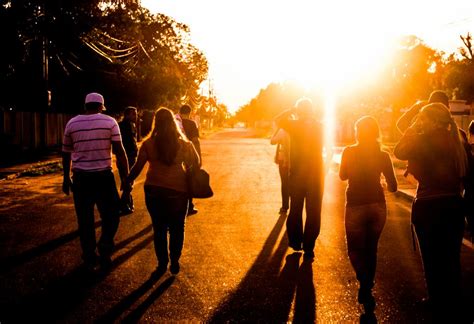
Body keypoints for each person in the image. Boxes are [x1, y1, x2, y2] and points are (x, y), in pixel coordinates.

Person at [394, 103, 467, 319]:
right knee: (451, 258)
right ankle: (454, 301)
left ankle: (437, 301)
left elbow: (399, 151)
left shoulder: (421, 139)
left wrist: (413, 128)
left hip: (428, 206)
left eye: (423, 117)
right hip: (453, 205)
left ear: (432, 121)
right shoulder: (458, 141)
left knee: (432, 259)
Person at [124, 107, 199, 275]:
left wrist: (128, 181)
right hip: (178, 192)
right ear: (173, 122)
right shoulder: (184, 144)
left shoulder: (148, 144)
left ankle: (162, 263)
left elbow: (138, 167)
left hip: (154, 191)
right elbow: (196, 162)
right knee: (177, 228)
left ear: (155, 123)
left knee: (159, 229)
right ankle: (175, 260)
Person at [62, 92, 129, 273]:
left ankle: (89, 255)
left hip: (81, 178)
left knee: (85, 220)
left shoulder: (72, 123)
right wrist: (126, 178)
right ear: (101, 106)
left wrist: (65, 177)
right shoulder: (110, 122)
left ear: (86, 106)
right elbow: (120, 152)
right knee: (112, 216)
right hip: (103, 178)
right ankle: (105, 248)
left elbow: (66, 152)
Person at [339, 116, 397, 310]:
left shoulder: (349, 152)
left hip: (355, 204)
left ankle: (363, 281)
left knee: (355, 249)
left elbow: (342, 176)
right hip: (377, 205)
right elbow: (394, 187)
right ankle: (367, 284)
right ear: (376, 133)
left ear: (357, 132)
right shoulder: (383, 155)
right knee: (371, 248)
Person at [274, 97, 325, 259]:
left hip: (296, 174)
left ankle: (296, 242)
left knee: (295, 208)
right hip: (316, 174)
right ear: (312, 110)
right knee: (314, 211)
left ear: (299, 111)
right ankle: (309, 247)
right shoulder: (320, 127)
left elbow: (278, 120)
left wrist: (292, 110)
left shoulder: (294, 126)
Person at [178, 104, 201, 216]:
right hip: (189, 157)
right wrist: (198, 157)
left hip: (176, 156)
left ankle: (177, 205)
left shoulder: (175, 122)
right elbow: (195, 141)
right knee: (189, 180)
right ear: (190, 112)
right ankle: (189, 206)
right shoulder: (192, 123)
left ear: (180, 112)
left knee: (177, 180)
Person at [118, 106, 139, 214]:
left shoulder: (131, 125)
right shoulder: (123, 125)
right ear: (127, 115)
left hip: (128, 156)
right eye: (133, 114)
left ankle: (128, 202)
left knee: (127, 180)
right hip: (127, 156)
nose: (136, 116)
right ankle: (123, 204)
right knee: (128, 180)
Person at [270, 125, 290, 214]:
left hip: (284, 159)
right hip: (296, 159)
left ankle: (285, 206)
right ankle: (294, 206)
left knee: (285, 183)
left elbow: (272, 141)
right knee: (294, 183)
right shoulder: (297, 128)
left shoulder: (282, 130)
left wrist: (276, 130)